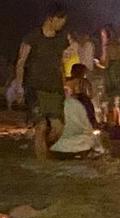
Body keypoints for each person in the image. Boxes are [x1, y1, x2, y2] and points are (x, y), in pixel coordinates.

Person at [15, 5, 69, 160]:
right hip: (35, 87)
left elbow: (61, 64)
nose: (62, 25)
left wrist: (64, 84)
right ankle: (42, 165)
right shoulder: (32, 37)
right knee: (41, 126)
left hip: (55, 88)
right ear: (51, 18)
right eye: (61, 21)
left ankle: (44, 150)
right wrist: (19, 86)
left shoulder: (61, 39)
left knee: (58, 128)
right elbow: (21, 62)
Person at [51, 64, 101, 157]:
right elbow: (91, 94)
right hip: (84, 103)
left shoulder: (68, 82)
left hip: (72, 105)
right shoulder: (85, 82)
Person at [99, 25, 120, 103]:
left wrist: (97, 63)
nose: (102, 38)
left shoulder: (107, 47)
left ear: (108, 36)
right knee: (119, 99)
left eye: (103, 36)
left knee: (111, 100)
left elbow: (105, 64)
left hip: (112, 77)